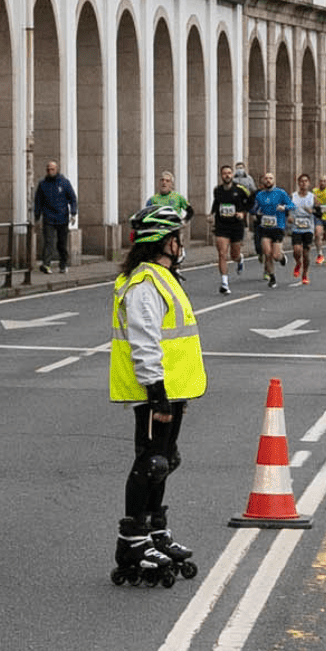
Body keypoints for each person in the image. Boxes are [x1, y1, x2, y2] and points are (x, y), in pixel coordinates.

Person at [110, 203, 207, 580]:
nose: (180, 244)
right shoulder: (144, 285)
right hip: (155, 390)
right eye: (176, 238)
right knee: (149, 463)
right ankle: (131, 541)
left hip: (173, 388)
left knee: (166, 460)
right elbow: (145, 342)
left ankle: (154, 531)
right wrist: (157, 393)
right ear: (163, 243)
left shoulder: (164, 278)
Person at [208, 164, 252, 294]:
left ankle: (240, 259)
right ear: (221, 175)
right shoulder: (217, 190)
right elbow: (216, 203)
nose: (227, 175)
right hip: (222, 225)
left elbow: (250, 201)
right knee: (222, 253)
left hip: (236, 226)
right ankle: (224, 283)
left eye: (229, 173)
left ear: (232, 175)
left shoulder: (240, 189)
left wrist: (243, 213)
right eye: (224, 173)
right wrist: (211, 214)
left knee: (234, 255)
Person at [32, 160, 77, 273]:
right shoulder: (43, 184)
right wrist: (37, 217)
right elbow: (38, 201)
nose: (50, 171)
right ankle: (46, 265)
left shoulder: (64, 183)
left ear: (56, 170)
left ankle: (63, 264)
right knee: (48, 242)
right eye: (48, 169)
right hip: (49, 218)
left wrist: (73, 213)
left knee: (61, 244)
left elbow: (72, 198)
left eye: (52, 169)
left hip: (62, 217)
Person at [251, 172, 290, 288]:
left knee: (275, 256)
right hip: (265, 228)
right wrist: (255, 211)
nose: (268, 180)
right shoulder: (259, 195)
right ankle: (272, 277)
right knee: (267, 254)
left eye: (270, 178)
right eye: (266, 178)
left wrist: (284, 208)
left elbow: (291, 205)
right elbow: (253, 208)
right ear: (263, 181)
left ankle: (282, 257)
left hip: (277, 228)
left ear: (274, 180)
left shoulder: (281, 193)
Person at [287, 175, 318, 284]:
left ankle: (304, 273)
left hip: (308, 228)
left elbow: (319, 211)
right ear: (298, 183)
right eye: (301, 181)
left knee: (306, 253)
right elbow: (288, 208)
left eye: (306, 181)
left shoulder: (312, 197)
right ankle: (298, 263)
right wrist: (289, 216)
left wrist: (312, 211)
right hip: (296, 226)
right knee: (296, 250)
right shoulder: (293, 196)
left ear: (309, 183)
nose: (303, 183)